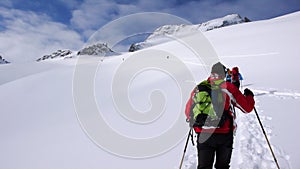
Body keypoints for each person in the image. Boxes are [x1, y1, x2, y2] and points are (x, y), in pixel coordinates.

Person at [185, 62, 255, 169]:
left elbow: (188, 112)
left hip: (203, 133)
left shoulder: (199, 87)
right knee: (222, 166)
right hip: (224, 133)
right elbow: (247, 108)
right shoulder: (228, 87)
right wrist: (249, 96)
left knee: (204, 167)